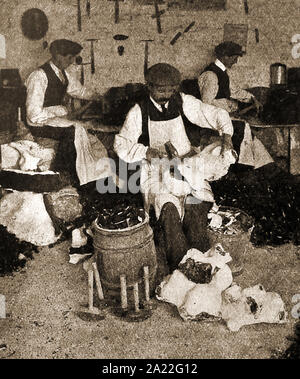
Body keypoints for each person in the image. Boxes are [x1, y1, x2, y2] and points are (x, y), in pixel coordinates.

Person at [114, 63, 237, 272]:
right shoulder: (139, 111)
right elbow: (121, 143)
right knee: (169, 210)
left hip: (186, 166)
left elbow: (213, 113)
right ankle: (181, 267)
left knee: (196, 207)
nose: (166, 95)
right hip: (156, 171)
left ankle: (203, 263)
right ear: (149, 86)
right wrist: (146, 152)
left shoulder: (182, 101)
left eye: (171, 89)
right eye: (161, 90)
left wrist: (226, 134)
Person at [25, 39, 112, 188]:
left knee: (84, 131)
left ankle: (91, 177)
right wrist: (60, 116)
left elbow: (79, 90)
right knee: (73, 132)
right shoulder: (38, 76)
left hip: (55, 119)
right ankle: (64, 177)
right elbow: (33, 113)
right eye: (69, 57)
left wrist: (98, 97)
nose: (72, 61)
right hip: (40, 123)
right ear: (58, 55)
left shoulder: (62, 73)